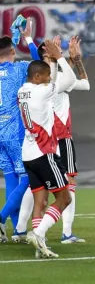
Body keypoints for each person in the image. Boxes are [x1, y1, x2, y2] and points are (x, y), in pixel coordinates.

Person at [20, 40, 77, 258]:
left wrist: (50, 64)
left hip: (28, 153)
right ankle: (39, 233)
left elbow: (47, 78)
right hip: (44, 153)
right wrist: (59, 58)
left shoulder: (23, 91)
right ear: (37, 78)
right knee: (64, 199)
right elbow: (69, 79)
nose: (47, 82)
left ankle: (39, 244)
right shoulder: (40, 92)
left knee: (40, 200)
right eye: (44, 78)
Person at [32, 35, 90, 244]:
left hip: (46, 141)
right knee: (67, 184)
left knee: (41, 189)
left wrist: (74, 60)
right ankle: (65, 233)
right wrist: (70, 60)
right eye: (53, 48)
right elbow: (75, 82)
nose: (58, 50)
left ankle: (27, 231)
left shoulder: (44, 79)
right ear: (46, 54)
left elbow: (83, 84)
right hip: (60, 138)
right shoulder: (51, 79)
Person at [0, 36, 31, 243]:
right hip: (14, 132)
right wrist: (27, 37)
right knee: (28, 178)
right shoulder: (19, 69)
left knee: (10, 177)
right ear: (12, 51)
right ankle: (2, 218)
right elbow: (41, 63)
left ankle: (17, 230)